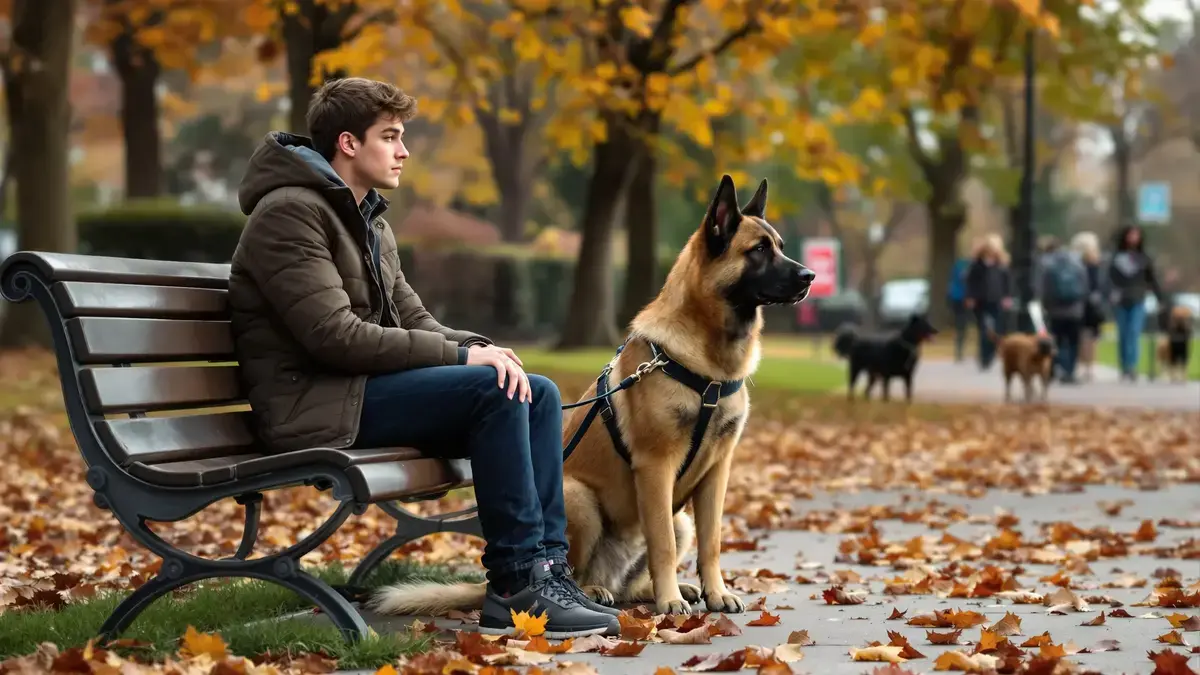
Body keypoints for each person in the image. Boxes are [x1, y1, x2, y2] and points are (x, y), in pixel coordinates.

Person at [225, 77, 620, 638]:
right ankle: (514, 584)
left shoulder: (369, 222)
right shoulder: (290, 215)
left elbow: (415, 321)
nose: (404, 151)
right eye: (390, 137)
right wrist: (464, 363)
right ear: (348, 143)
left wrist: (478, 347)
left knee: (535, 390)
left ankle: (549, 571)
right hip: (310, 404)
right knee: (491, 390)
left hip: (356, 391)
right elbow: (334, 336)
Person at [1107, 224, 1163, 381]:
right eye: (1131, 234)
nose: (1133, 238)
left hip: (1138, 298)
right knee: (1123, 334)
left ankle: (1131, 366)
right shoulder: (1117, 257)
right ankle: (1124, 365)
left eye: (1136, 235)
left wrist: (1160, 298)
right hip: (1120, 299)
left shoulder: (1144, 258)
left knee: (1134, 332)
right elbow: (1110, 279)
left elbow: (1152, 279)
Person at [1034, 236, 1089, 384]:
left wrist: (1045, 306)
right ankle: (1069, 372)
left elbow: (1044, 289)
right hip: (1075, 311)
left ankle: (1053, 368)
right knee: (1072, 342)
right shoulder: (1078, 266)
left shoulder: (1049, 266)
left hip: (1055, 311)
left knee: (1055, 340)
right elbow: (1085, 288)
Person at [964, 234, 1013, 370]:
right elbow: (970, 283)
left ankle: (991, 353)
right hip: (980, 301)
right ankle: (984, 356)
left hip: (997, 301)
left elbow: (1007, 282)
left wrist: (1007, 297)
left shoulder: (1002, 265)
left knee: (997, 330)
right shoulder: (977, 265)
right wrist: (970, 297)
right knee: (984, 330)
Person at [1069, 231, 1105, 382]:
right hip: (1089, 304)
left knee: (1082, 336)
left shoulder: (1075, 263)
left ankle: (1082, 365)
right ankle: (1088, 366)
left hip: (1081, 303)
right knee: (1089, 337)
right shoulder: (1094, 264)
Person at [947, 255, 971, 362]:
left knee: (960, 324)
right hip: (962, 298)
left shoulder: (958, 265)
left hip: (956, 297)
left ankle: (959, 350)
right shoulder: (965, 266)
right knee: (962, 324)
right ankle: (959, 350)